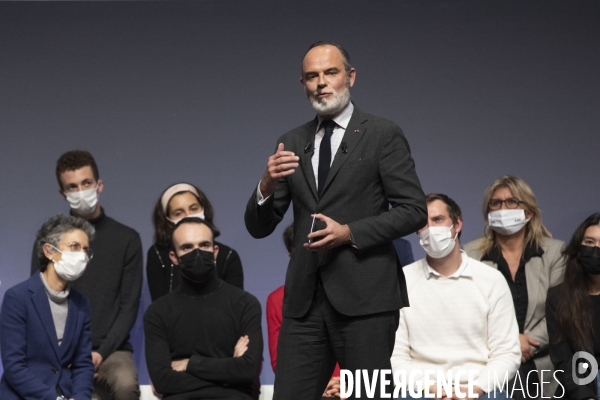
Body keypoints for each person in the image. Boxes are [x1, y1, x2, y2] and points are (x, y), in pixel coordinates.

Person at [245, 41, 427, 399]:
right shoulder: (292, 140)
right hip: (304, 301)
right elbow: (259, 226)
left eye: (330, 72)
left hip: (366, 302)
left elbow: (413, 210)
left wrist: (350, 233)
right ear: (303, 84)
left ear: (351, 76)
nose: (321, 83)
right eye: (311, 76)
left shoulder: (381, 134)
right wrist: (266, 183)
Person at [30, 150, 143, 400]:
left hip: (112, 350)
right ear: (63, 193)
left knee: (126, 385)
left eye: (86, 183)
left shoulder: (127, 239)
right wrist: (64, 351)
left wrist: (101, 352)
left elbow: (128, 306)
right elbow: (38, 301)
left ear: (99, 185)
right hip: (61, 349)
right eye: (72, 186)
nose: (81, 191)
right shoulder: (48, 240)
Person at [391, 193, 521, 400]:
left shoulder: (491, 280)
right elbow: (396, 356)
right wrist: (430, 388)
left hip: (480, 390)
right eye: (423, 224)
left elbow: (507, 353)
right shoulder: (403, 280)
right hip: (421, 391)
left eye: (438, 220)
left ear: (457, 224)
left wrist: (476, 388)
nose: (430, 229)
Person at [464, 175, 565, 399]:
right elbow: (467, 313)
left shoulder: (555, 252)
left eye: (512, 202)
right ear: (488, 213)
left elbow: (561, 311)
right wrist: (511, 342)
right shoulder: (471, 255)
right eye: (496, 203)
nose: (503, 208)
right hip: (489, 364)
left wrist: (526, 345)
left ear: (528, 212)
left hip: (541, 362)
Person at [144, 217, 262, 399]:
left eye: (204, 245)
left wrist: (190, 364)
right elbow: (162, 381)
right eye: (187, 247)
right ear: (174, 257)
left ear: (215, 252)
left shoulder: (245, 304)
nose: (197, 253)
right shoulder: (157, 313)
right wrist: (229, 368)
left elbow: (247, 370)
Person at [1, 214, 95, 400]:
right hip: (23, 395)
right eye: (74, 247)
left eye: (85, 250)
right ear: (49, 251)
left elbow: (83, 363)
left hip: (66, 393)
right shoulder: (18, 298)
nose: (82, 255)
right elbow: (14, 366)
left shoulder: (81, 303)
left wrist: (80, 397)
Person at [266, 224, 342, 399]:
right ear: (292, 257)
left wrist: (345, 382)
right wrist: (320, 384)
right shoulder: (277, 299)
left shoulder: (350, 294)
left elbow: (361, 349)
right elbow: (281, 361)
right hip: (306, 388)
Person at [147, 182, 243, 302]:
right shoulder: (158, 254)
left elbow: (237, 306)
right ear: (167, 221)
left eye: (193, 209)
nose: (188, 216)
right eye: (178, 213)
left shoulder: (228, 256)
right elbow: (159, 307)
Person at [547, 213, 600, 400]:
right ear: (578, 247)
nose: (596, 249)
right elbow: (564, 360)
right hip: (577, 389)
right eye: (590, 242)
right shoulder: (558, 297)